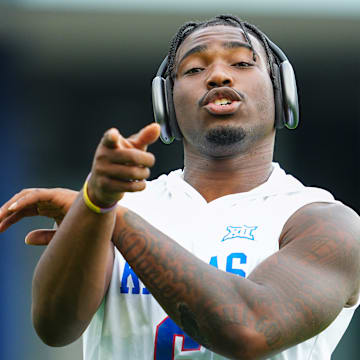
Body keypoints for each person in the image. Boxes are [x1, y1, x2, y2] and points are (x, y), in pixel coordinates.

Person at [0, 14, 359, 360]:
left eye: (242, 64)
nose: (218, 75)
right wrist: (92, 207)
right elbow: (55, 327)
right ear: (166, 105)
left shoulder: (326, 222)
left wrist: (114, 217)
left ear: (283, 92)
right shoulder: (109, 207)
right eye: (194, 69)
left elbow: (250, 330)